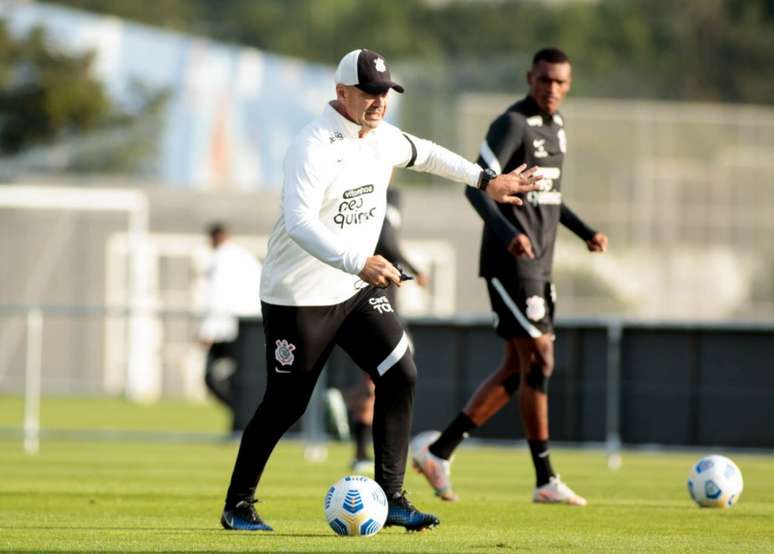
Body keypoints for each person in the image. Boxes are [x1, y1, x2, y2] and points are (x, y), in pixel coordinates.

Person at [219, 47, 540, 532]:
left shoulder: (382, 138)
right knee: (286, 404)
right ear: (341, 92)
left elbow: (428, 154)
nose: (379, 101)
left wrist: (486, 180)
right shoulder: (312, 145)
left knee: (401, 373)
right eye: (369, 92)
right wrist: (358, 260)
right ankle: (237, 505)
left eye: (385, 92)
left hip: (353, 286)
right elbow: (299, 222)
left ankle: (392, 499)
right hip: (298, 296)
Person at [412, 47, 608, 506]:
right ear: (530, 77)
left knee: (521, 367)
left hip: (541, 264)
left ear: (569, 83)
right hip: (511, 263)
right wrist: (506, 235)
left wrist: (585, 232)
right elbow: (476, 187)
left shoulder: (557, 128)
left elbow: (550, 198)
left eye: (560, 82)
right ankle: (544, 479)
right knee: (539, 358)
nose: (552, 89)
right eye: (544, 80)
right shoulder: (511, 123)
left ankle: (439, 451)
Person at [347, 188, 429, 474]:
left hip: (378, 300)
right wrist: (416, 269)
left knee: (380, 379)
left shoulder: (386, 193)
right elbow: (387, 240)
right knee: (382, 379)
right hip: (372, 299)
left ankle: (364, 451)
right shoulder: (377, 192)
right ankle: (364, 452)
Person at [197, 223, 263, 435]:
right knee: (233, 378)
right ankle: (245, 417)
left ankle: (245, 417)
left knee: (214, 377)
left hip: (239, 328)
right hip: (249, 326)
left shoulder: (223, 259)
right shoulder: (242, 256)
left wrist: (207, 331)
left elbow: (219, 295)